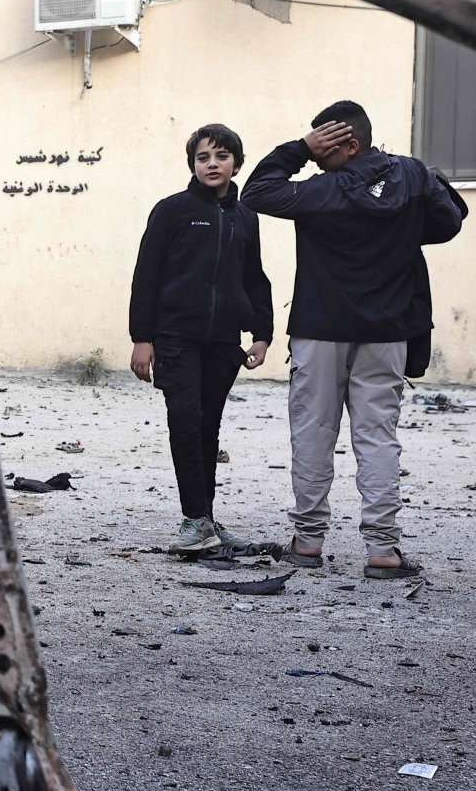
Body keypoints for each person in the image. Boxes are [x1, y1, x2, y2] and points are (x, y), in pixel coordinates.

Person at [241, 101, 465, 579]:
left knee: (313, 432)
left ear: (350, 145)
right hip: (386, 332)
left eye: (324, 146)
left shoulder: (321, 190)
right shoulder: (412, 176)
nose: (318, 155)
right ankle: (383, 550)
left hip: (320, 329)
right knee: (378, 437)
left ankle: (306, 542)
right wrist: (400, 232)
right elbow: (449, 221)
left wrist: (298, 150)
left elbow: (256, 191)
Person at [127, 124, 273, 554]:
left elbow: (254, 278)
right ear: (192, 163)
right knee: (185, 422)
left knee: (208, 428)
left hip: (223, 343)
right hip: (175, 339)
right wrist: (142, 338)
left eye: (222, 156)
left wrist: (262, 334)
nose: (213, 164)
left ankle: (205, 519)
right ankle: (194, 522)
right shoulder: (172, 210)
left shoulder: (246, 217)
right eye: (204, 157)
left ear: (236, 163)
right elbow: (146, 275)